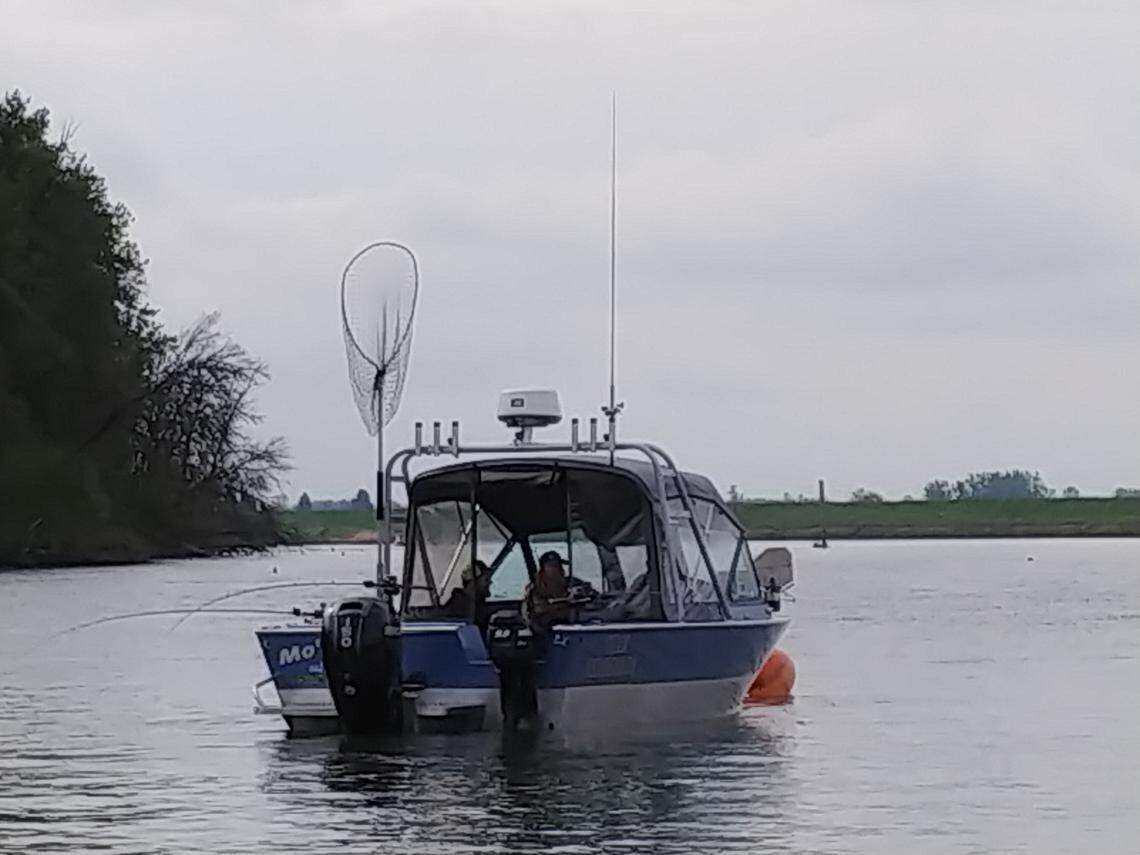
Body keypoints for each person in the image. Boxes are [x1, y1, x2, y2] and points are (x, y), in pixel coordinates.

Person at [524, 551, 573, 627]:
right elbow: (538, 608)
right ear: (543, 570)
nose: (555, 569)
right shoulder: (535, 588)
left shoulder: (568, 583)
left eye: (557, 565)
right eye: (551, 566)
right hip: (544, 627)